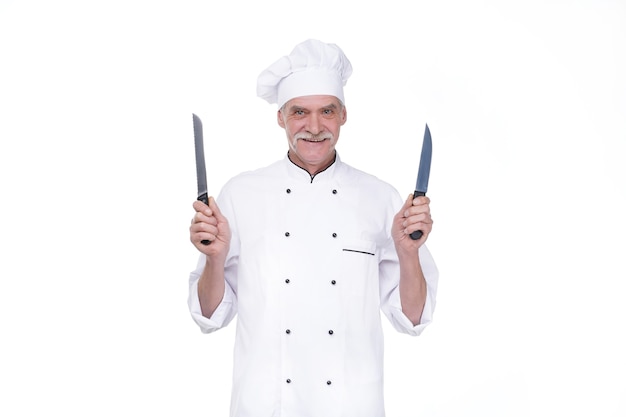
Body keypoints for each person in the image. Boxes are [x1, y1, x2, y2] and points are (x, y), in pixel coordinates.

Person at [188, 39, 438, 417]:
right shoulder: (240, 194)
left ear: (344, 115)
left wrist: (409, 253)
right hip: (266, 403)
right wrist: (214, 259)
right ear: (280, 117)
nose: (315, 127)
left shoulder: (380, 197)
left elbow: (413, 318)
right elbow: (209, 316)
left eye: (328, 111)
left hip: (352, 403)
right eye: (300, 112)